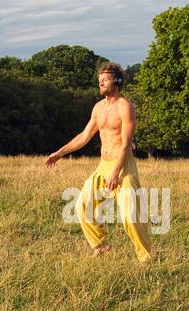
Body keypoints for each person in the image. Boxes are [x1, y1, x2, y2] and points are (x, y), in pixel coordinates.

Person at [44, 61, 153, 262]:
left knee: (131, 215)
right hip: (103, 165)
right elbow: (84, 136)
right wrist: (59, 153)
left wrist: (115, 172)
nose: (101, 83)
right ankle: (101, 245)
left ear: (117, 81)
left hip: (123, 166)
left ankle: (145, 257)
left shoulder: (125, 106)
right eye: (99, 80)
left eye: (105, 79)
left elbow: (126, 144)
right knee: (82, 205)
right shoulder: (98, 108)